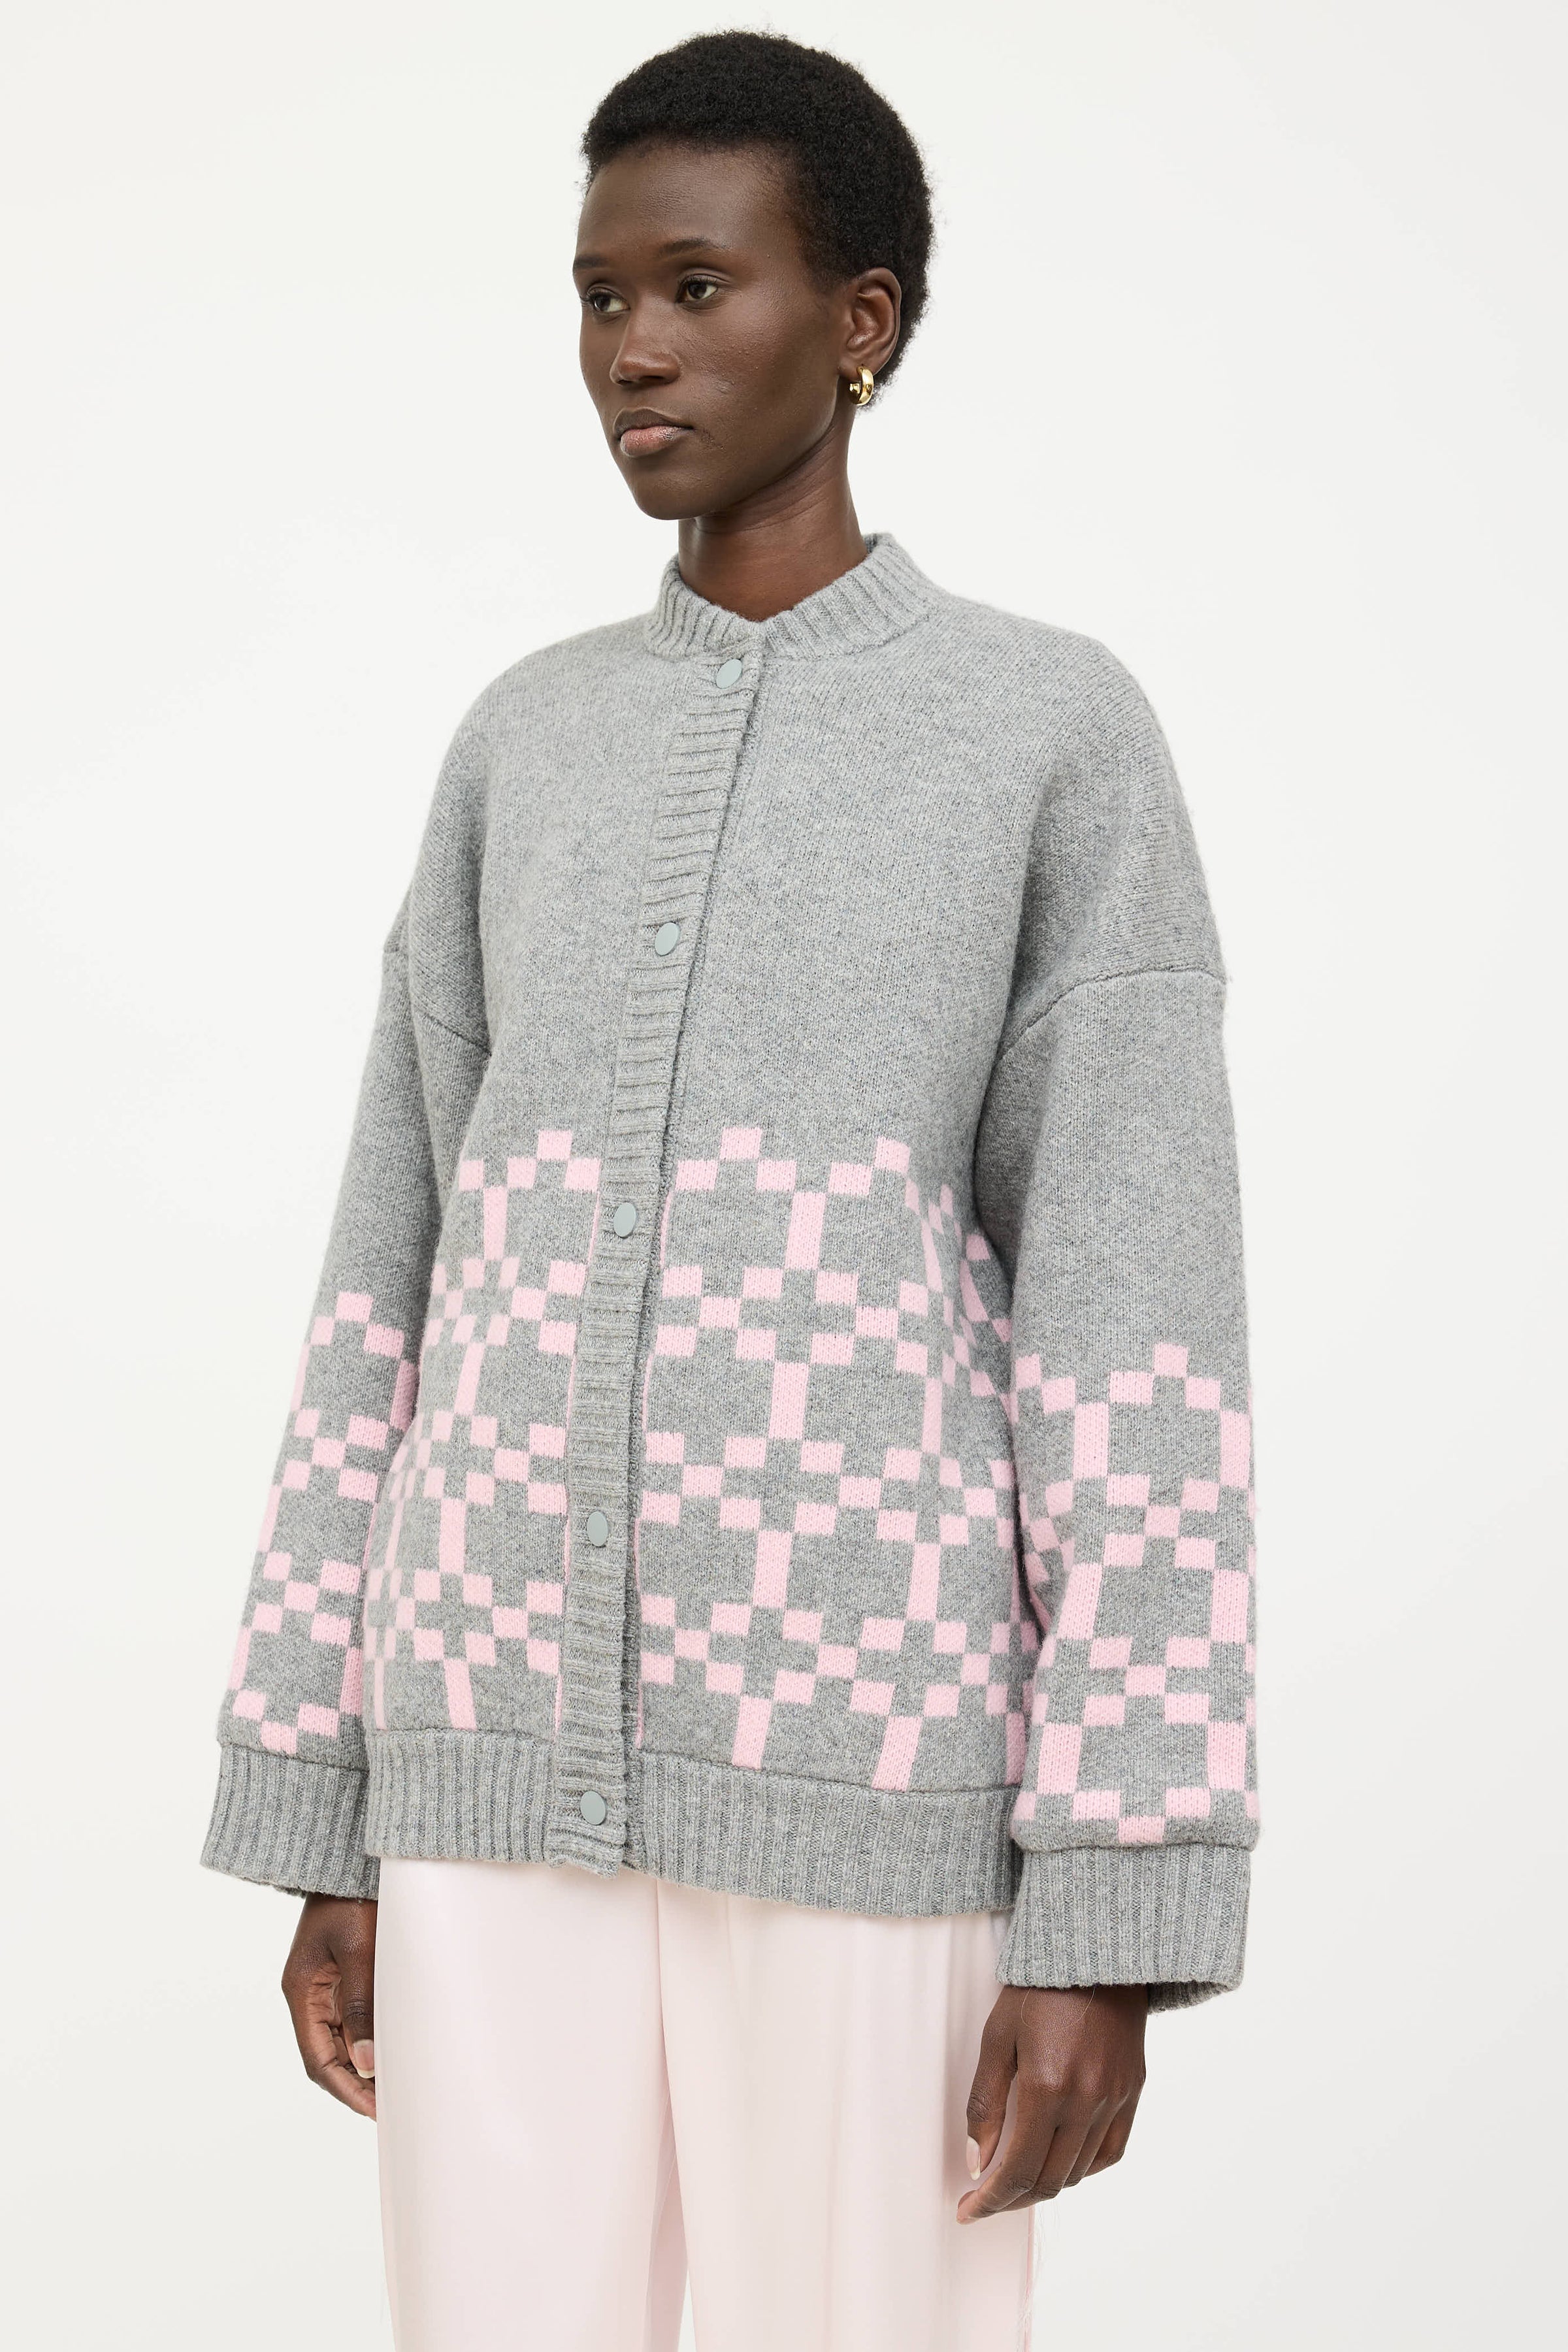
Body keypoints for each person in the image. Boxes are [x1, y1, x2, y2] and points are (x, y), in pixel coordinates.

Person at [202, 31, 1258, 2352]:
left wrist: (1117, 1898)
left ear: (860, 322)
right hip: (481, 1773)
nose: (635, 350)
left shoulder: (1049, 735)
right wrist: (321, 1804)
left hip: (872, 1771)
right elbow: (387, 1282)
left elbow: (1139, 1332)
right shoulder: (523, 739)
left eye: (697, 286)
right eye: (601, 296)